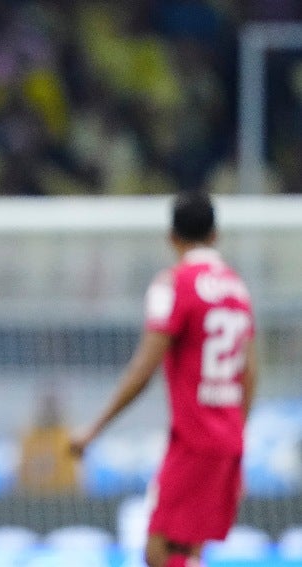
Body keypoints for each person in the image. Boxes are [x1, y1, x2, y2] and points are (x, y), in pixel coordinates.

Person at [69, 191, 258, 567]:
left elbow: (144, 369)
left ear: (171, 237)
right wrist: (239, 439)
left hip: (194, 438)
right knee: (188, 548)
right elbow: (249, 372)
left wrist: (94, 428)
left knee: (158, 551)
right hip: (228, 437)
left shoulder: (174, 284)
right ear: (215, 235)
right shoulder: (237, 288)